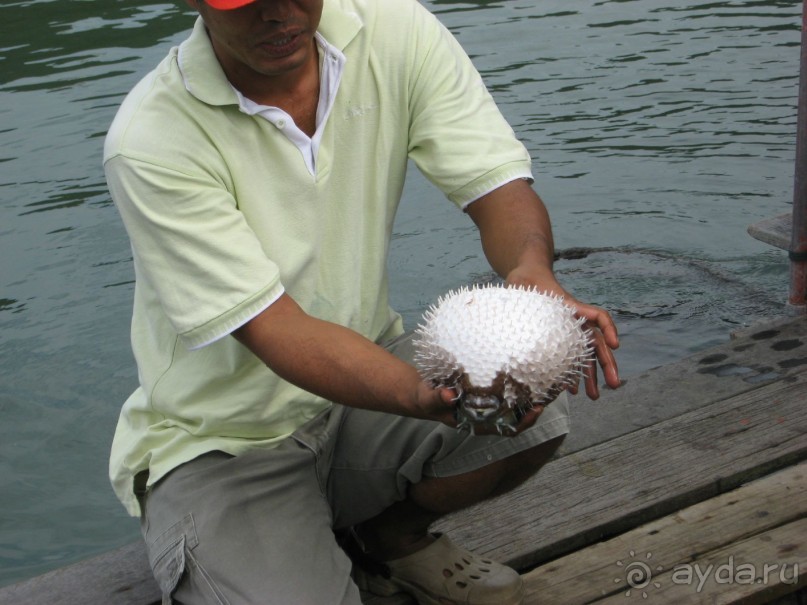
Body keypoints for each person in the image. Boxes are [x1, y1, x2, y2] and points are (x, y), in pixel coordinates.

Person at [103, 0, 620, 603]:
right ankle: (271, 539)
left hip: (356, 401)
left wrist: (534, 276)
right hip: (223, 442)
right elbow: (277, 329)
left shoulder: (395, 29)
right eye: (246, 1)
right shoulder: (150, 140)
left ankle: (388, 542)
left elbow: (495, 182)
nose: (279, 13)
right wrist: (425, 396)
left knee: (534, 418)